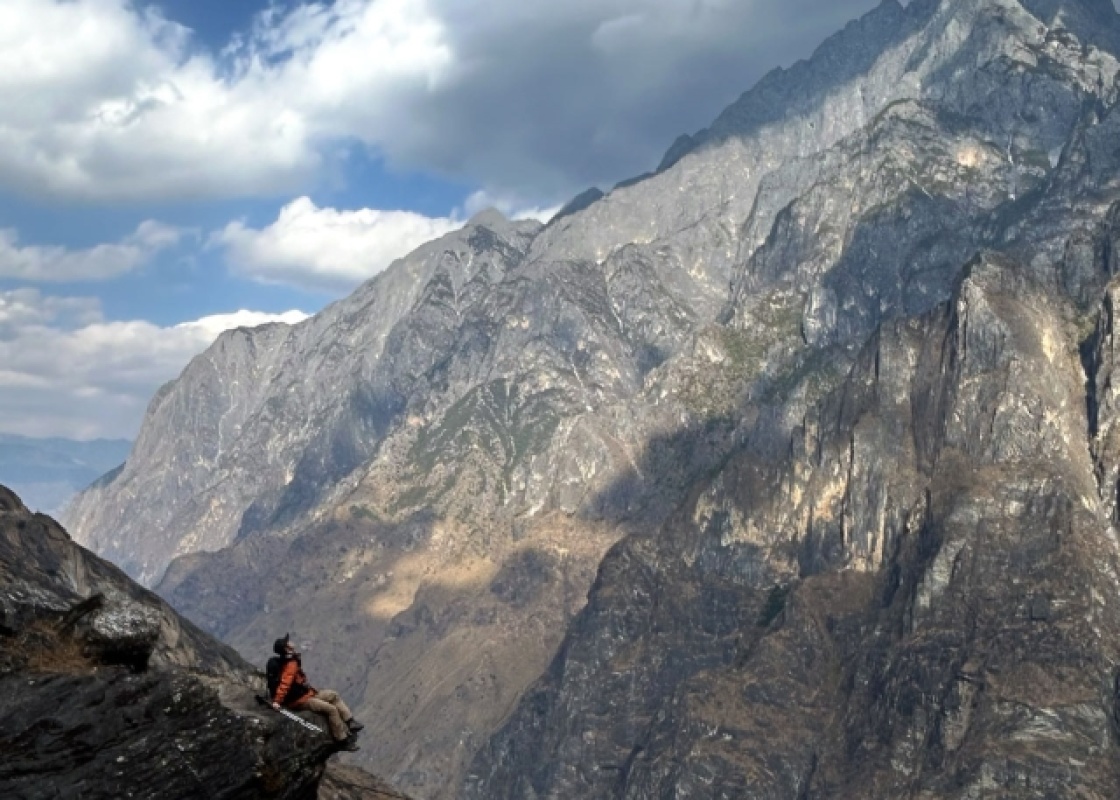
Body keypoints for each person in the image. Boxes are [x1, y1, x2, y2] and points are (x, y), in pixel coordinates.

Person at [268, 633, 363, 751]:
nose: (291, 643)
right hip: (300, 700)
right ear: (286, 648)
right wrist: (277, 701)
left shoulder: (291, 660)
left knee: (333, 695)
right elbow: (285, 684)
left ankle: (350, 722)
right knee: (331, 709)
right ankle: (342, 740)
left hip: (307, 693)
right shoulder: (290, 664)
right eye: (287, 643)